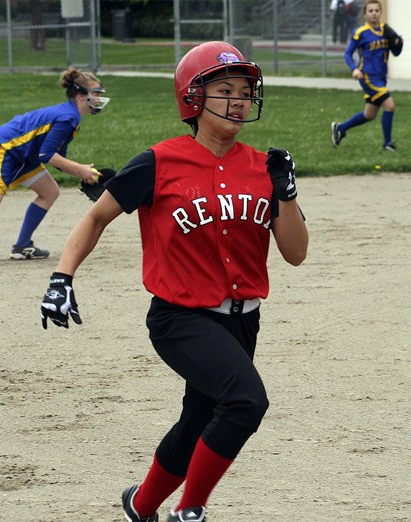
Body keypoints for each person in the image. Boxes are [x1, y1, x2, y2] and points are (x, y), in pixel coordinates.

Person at [40, 41, 308, 522]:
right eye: (224, 90)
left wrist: (286, 193)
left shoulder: (263, 167)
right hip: (180, 318)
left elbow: (295, 253)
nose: (238, 101)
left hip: (243, 321)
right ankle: (190, 511)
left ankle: (140, 505)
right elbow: (96, 218)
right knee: (246, 401)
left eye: (245, 91)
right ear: (193, 98)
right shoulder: (159, 162)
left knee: (199, 422)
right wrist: (62, 277)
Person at [0, 67, 110, 259]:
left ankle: (22, 246)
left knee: (50, 192)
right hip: (4, 151)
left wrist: (85, 173)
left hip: (23, 156)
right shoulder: (68, 117)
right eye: (95, 93)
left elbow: (57, 158)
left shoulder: (71, 117)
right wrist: (80, 170)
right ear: (81, 96)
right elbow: (46, 155)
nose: (98, 98)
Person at [331, 0, 403, 152]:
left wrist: (397, 42)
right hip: (367, 76)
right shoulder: (360, 32)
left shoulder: (386, 30)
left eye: (377, 10)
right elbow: (348, 53)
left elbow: (396, 51)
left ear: (380, 12)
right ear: (364, 14)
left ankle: (340, 128)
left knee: (370, 114)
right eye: (370, 11)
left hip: (381, 77)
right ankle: (387, 143)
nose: (374, 13)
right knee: (390, 106)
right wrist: (354, 69)